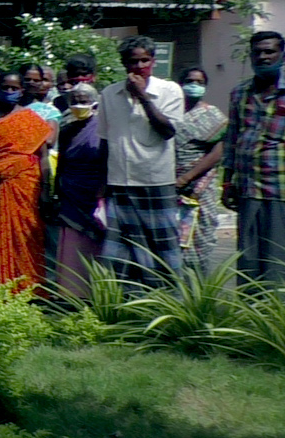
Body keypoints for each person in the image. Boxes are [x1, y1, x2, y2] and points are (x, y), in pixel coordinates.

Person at [99, 35, 184, 280]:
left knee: (163, 247)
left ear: (153, 61)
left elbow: (168, 131)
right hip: (120, 182)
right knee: (120, 251)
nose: (139, 67)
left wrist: (143, 97)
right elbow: (104, 140)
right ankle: (125, 304)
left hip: (155, 181)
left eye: (144, 61)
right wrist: (101, 185)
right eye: (133, 62)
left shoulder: (169, 90)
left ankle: (169, 301)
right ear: (124, 64)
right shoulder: (109, 94)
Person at [0, 73, 51, 290]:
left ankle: (32, 287)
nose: (9, 91)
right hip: (0, 186)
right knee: (2, 233)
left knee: (28, 234)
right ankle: (3, 285)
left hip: (29, 186)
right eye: (5, 87)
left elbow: (43, 156)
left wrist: (45, 188)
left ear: (22, 90)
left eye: (14, 87)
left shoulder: (31, 119)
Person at [223, 31, 285, 282]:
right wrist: (227, 182)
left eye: (269, 51)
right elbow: (231, 139)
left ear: (282, 54)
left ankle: (276, 314)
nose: (263, 57)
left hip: (280, 189)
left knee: (277, 256)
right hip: (247, 187)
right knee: (248, 258)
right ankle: (248, 315)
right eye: (257, 52)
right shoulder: (240, 93)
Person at [170, 67, 227, 274]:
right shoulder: (170, 113)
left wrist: (188, 177)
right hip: (169, 184)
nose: (194, 85)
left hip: (200, 185)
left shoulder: (212, 115)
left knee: (200, 237)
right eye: (189, 80)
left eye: (200, 82)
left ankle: (198, 292)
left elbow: (218, 151)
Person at [53, 85, 107, 297]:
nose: (79, 105)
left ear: (94, 103)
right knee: (72, 243)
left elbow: (107, 162)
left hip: (95, 193)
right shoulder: (66, 130)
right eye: (74, 100)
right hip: (71, 194)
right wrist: (56, 192)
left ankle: (98, 291)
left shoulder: (103, 129)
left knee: (97, 242)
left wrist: (101, 192)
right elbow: (61, 164)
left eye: (84, 101)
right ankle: (72, 292)